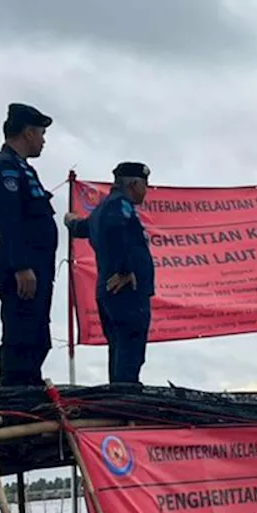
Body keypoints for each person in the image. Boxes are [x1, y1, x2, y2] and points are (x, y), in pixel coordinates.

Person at [0, 102, 58, 387]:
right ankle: (15, 395)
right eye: (41, 133)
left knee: (37, 336)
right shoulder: (5, 169)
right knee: (21, 337)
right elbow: (8, 220)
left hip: (38, 268)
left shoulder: (23, 169)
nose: (43, 140)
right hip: (22, 270)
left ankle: (29, 389)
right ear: (28, 133)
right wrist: (21, 266)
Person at [71, 162, 154, 385]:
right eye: (145, 185)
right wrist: (126, 270)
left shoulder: (103, 208)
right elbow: (119, 234)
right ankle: (126, 398)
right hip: (125, 290)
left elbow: (81, 229)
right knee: (129, 349)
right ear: (135, 183)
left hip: (109, 290)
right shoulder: (120, 206)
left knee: (120, 348)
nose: (146, 191)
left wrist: (69, 221)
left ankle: (121, 392)